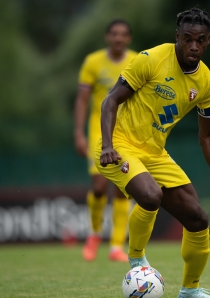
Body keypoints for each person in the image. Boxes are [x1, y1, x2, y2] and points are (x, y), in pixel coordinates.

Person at [95, 7, 210, 298]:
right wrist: (107, 146)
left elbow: (209, 134)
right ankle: (137, 261)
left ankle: (190, 291)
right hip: (119, 145)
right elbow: (110, 101)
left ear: (207, 42)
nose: (194, 46)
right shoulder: (151, 59)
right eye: (188, 39)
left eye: (201, 40)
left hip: (154, 153)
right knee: (151, 195)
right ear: (177, 37)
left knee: (197, 219)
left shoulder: (206, 84)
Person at [73, 19, 137, 262]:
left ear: (128, 38)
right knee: (99, 187)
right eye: (114, 34)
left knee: (123, 188)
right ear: (107, 37)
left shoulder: (136, 60)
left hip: (126, 132)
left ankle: (116, 246)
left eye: (123, 34)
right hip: (98, 132)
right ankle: (94, 234)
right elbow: (81, 99)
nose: (118, 38)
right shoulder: (93, 62)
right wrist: (78, 133)